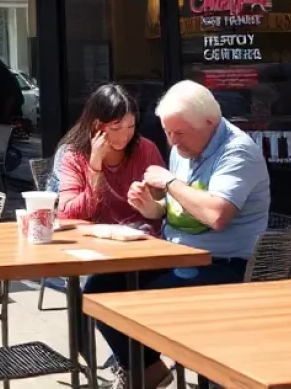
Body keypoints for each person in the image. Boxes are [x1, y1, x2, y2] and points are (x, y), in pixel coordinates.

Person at [86, 81, 270, 389]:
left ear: (210, 123)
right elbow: (181, 210)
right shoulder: (184, 146)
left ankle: (168, 375)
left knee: (140, 305)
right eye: (168, 132)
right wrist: (154, 208)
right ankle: (148, 373)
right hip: (176, 253)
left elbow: (215, 215)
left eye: (179, 133)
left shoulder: (237, 152)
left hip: (225, 262)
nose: (172, 142)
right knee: (100, 289)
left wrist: (170, 183)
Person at [57, 83, 165, 232]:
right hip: (94, 238)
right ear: (97, 125)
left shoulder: (146, 149)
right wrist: (94, 168)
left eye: (131, 127)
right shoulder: (75, 156)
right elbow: (68, 215)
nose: (124, 135)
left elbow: (165, 201)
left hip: (141, 237)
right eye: (116, 128)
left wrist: (150, 201)